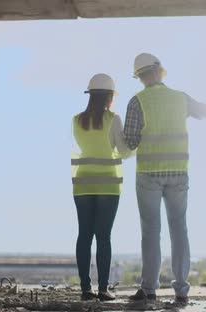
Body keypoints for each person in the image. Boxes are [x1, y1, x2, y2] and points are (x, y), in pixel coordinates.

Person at [124, 53, 206, 304]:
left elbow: (130, 142)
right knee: (179, 229)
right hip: (178, 173)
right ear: (160, 71)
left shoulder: (137, 101)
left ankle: (149, 289)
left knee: (151, 232)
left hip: (148, 175)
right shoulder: (180, 98)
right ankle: (181, 291)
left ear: (140, 77)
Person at [71, 73, 132, 301]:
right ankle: (103, 289)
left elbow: (84, 145)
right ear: (109, 96)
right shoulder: (113, 119)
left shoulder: (76, 120)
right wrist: (134, 146)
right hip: (108, 185)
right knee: (103, 237)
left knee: (84, 235)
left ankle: (85, 289)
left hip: (83, 183)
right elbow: (124, 151)